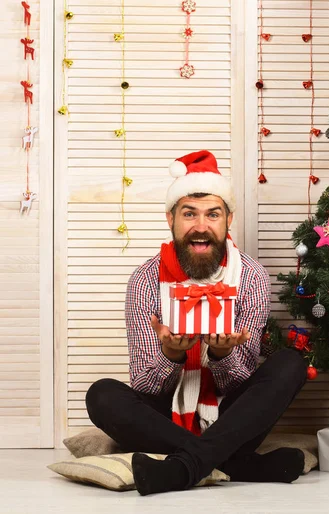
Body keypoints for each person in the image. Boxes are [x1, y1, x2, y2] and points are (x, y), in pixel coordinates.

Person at [85, 150, 307, 495]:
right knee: (101, 395)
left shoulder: (251, 277)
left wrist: (220, 357)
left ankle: (179, 469)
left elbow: (244, 388)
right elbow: (144, 386)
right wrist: (171, 355)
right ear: (170, 218)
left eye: (212, 214)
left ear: (228, 220)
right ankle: (234, 464)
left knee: (290, 363)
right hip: (164, 413)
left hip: (229, 410)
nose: (201, 226)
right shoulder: (145, 281)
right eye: (189, 214)